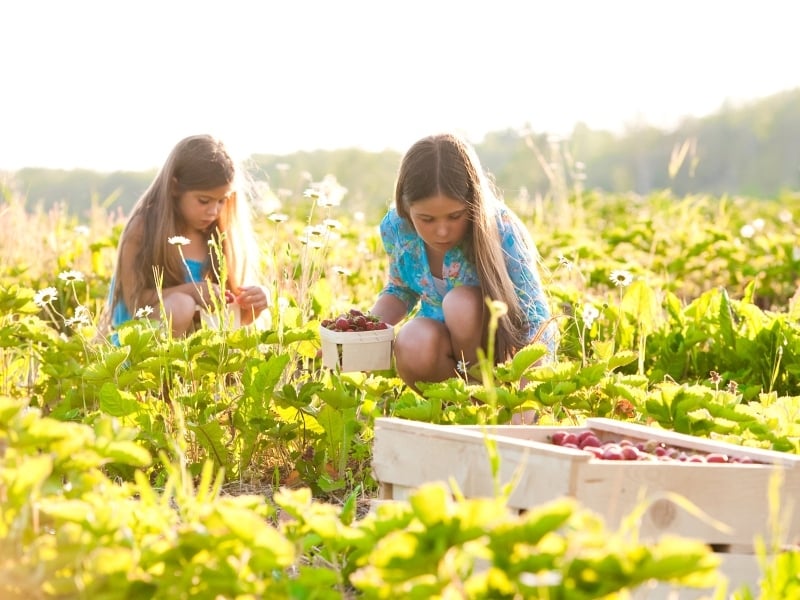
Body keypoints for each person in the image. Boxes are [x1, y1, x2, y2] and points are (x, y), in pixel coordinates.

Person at [369, 132, 557, 392]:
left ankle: (491, 396)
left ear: (473, 204)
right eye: (427, 219)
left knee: (460, 304)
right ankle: (460, 408)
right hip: (443, 353)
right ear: (406, 207)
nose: (442, 231)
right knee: (412, 340)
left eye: (454, 216)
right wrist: (361, 331)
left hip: (500, 355)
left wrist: (524, 403)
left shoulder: (500, 228)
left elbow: (536, 317)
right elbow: (400, 289)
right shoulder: (396, 228)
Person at [100, 134, 270, 339]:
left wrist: (255, 303)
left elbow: (231, 320)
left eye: (222, 201)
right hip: (137, 343)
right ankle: (164, 370)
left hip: (197, 349)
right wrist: (191, 291)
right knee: (180, 305)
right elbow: (134, 302)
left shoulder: (217, 235)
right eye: (204, 201)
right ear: (174, 187)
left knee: (189, 307)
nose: (214, 211)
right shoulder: (143, 229)